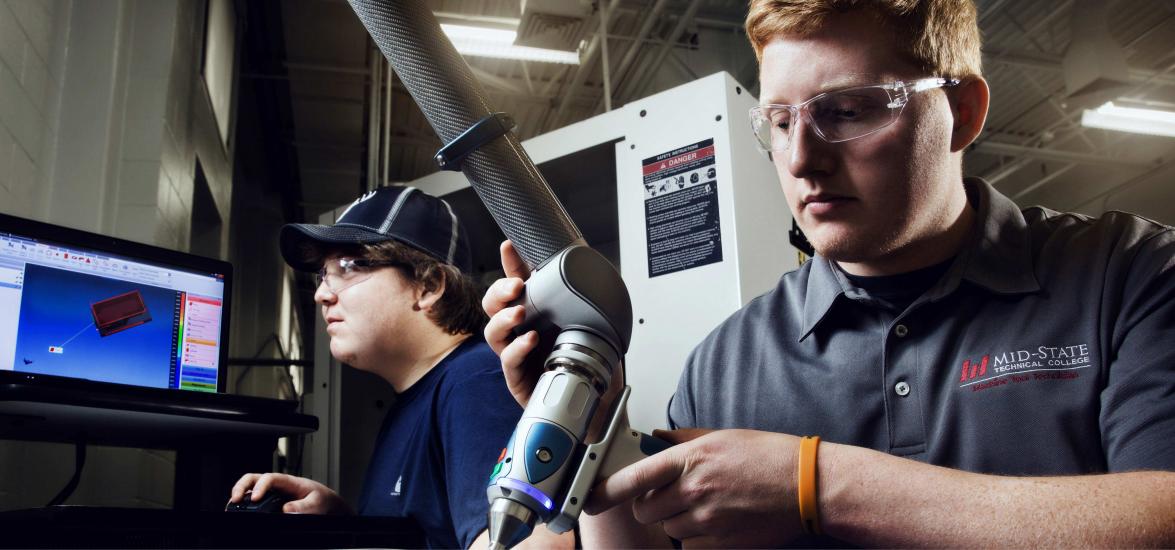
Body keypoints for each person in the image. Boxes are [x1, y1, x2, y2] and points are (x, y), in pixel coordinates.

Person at [483, 0, 1175, 547]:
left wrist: (815, 484)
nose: (801, 159)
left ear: (960, 112)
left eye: (845, 111)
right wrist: (598, 433)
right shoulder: (727, 361)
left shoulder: (1128, 276)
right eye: (779, 122)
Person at [228, 186, 571, 549]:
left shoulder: (475, 381)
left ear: (429, 285)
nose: (322, 294)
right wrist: (349, 525)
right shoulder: (414, 401)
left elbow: (538, 545)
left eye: (350, 265)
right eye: (323, 274)